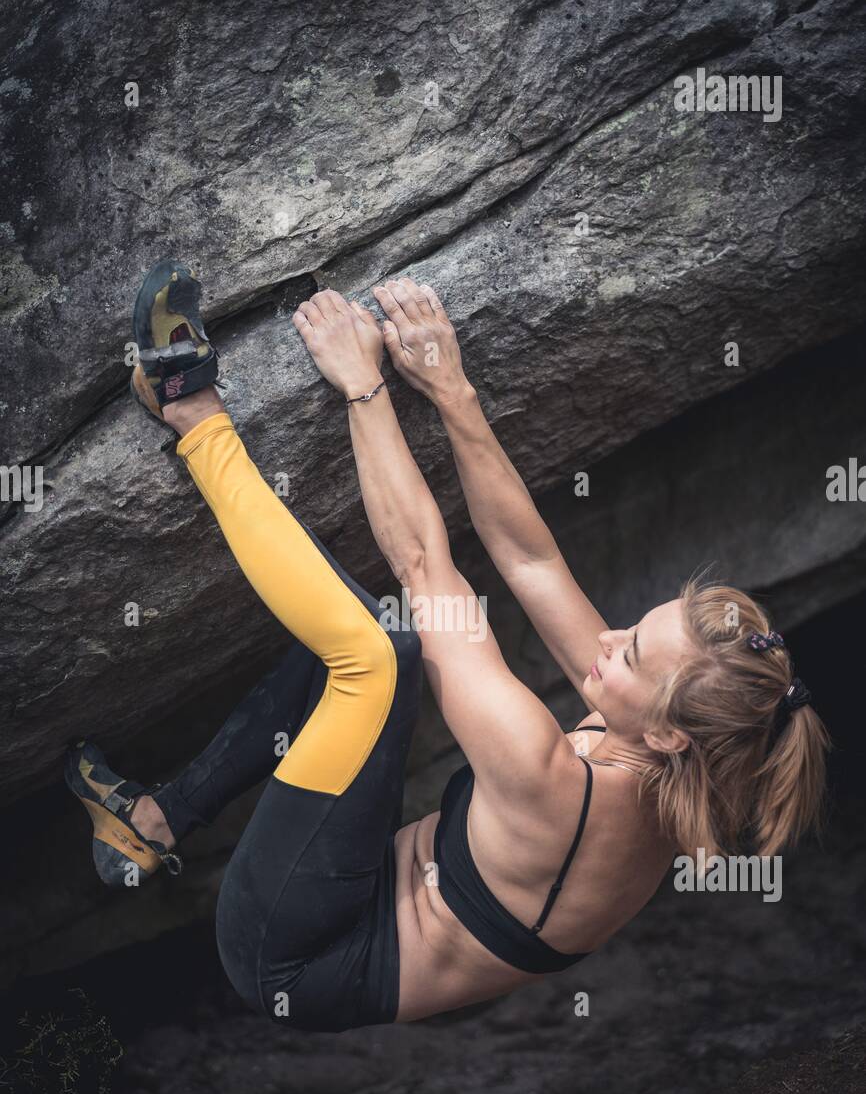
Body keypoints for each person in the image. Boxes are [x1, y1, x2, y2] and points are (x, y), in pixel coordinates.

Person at [66, 259, 831, 1032]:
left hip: (295, 954)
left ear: (668, 731)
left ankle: (191, 413)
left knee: (378, 654)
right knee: (353, 640)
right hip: (359, 894)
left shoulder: (553, 780)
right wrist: (449, 388)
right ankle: (154, 820)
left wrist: (363, 386)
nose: (610, 635)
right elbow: (533, 564)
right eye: (639, 625)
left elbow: (425, 566)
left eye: (632, 652)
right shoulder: (697, 761)